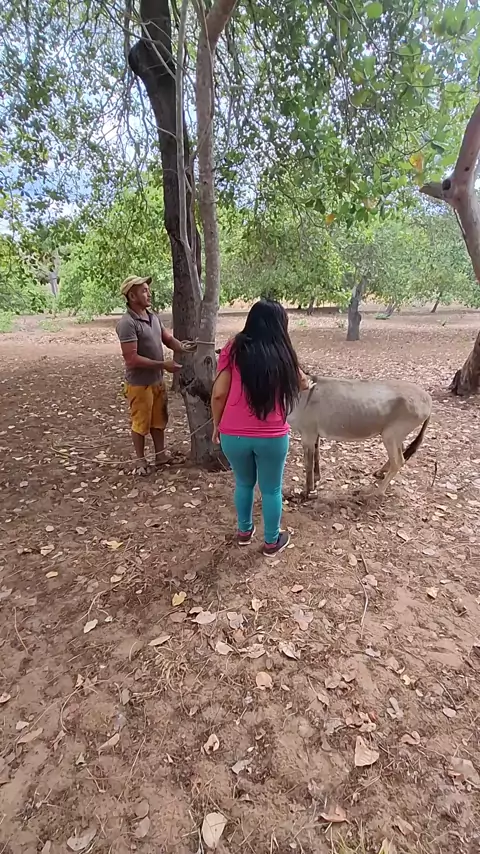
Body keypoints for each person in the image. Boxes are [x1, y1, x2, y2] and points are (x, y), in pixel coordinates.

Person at [211, 299, 308, 556]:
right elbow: (302, 383)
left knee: (243, 483)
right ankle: (271, 542)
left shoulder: (233, 348)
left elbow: (219, 394)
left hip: (233, 434)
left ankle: (244, 532)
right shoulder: (283, 351)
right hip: (272, 436)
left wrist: (217, 424)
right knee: (271, 489)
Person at [116, 275, 195, 475]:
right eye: (144, 291)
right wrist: (163, 365)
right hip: (139, 384)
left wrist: (184, 347)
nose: (149, 293)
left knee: (159, 420)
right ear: (132, 296)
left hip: (156, 381)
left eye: (148, 290)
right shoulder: (127, 323)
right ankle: (140, 461)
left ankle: (161, 456)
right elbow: (132, 359)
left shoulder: (153, 317)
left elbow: (167, 339)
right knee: (140, 423)